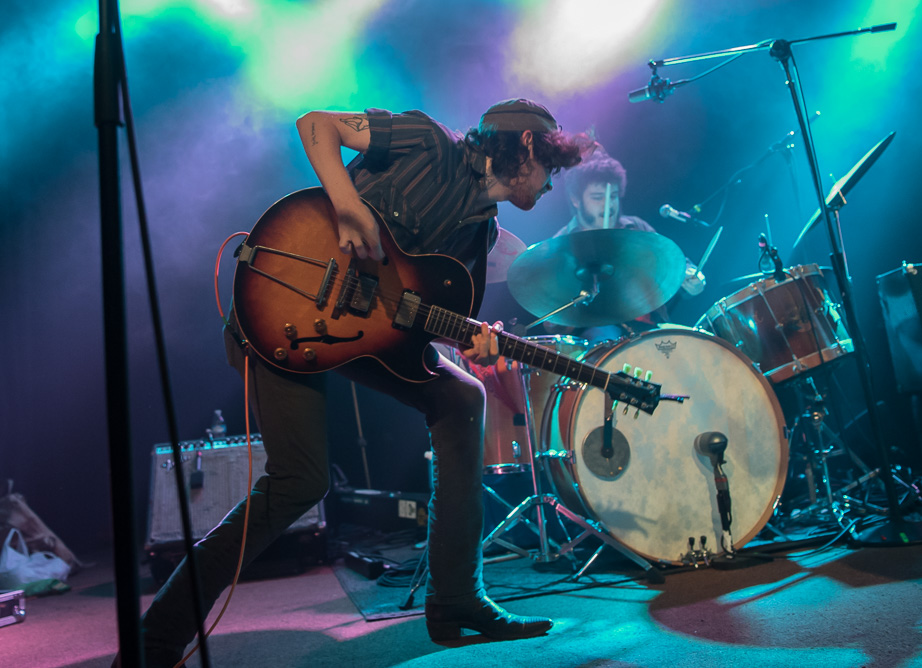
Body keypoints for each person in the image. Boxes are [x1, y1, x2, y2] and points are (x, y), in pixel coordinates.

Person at [126, 99, 588, 667]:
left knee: (461, 394)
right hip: (285, 302)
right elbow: (315, 125)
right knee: (299, 483)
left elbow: (414, 322)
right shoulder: (426, 140)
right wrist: (348, 207)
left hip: (360, 333)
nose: (550, 187)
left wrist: (471, 339)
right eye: (550, 168)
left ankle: (457, 600)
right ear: (523, 148)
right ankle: (156, 639)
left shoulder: (481, 239)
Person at [545, 147, 705, 342]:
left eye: (612, 196)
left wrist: (692, 278)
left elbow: (675, 263)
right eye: (597, 198)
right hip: (599, 339)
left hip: (650, 331)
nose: (608, 205)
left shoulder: (635, 227)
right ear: (576, 200)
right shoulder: (562, 247)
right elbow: (551, 320)